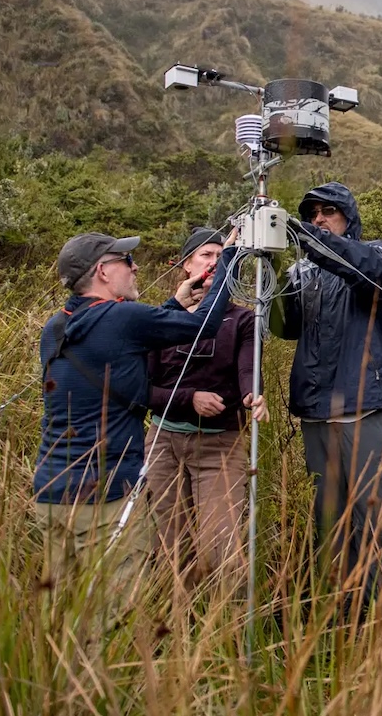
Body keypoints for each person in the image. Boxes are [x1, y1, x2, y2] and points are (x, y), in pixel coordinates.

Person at [33, 228, 237, 608]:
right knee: (115, 614)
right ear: (103, 272)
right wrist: (229, 259)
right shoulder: (121, 319)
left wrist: (172, 306)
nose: (135, 266)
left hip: (51, 492)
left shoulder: (57, 326)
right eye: (126, 261)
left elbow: (118, 345)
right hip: (104, 495)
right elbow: (202, 327)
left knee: (61, 611)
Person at [270, 182, 382, 620]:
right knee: (330, 521)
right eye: (312, 214)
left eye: (329, 211)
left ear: (349, 216)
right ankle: (341, 612)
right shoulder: (302, 273)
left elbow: (366, 269)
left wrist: (311, 240)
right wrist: (271, 270)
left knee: (376, 519)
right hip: (317, 415)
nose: (319, 219)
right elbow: (284, 326)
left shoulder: (377, 253)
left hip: (367, 409)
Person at [145, 227, 269, 592]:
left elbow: (248, 369)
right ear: (187, 266)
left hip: (219, 445)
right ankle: (174, 627)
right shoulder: (161, 317)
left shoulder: (242, 319)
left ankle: (224, 632)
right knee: (167, 544)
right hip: (163, 443)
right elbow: (142, 388)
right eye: (206, 255)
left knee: (221, 544)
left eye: (221, 255)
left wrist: (252, 395)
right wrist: (189, 398)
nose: (214, 262)